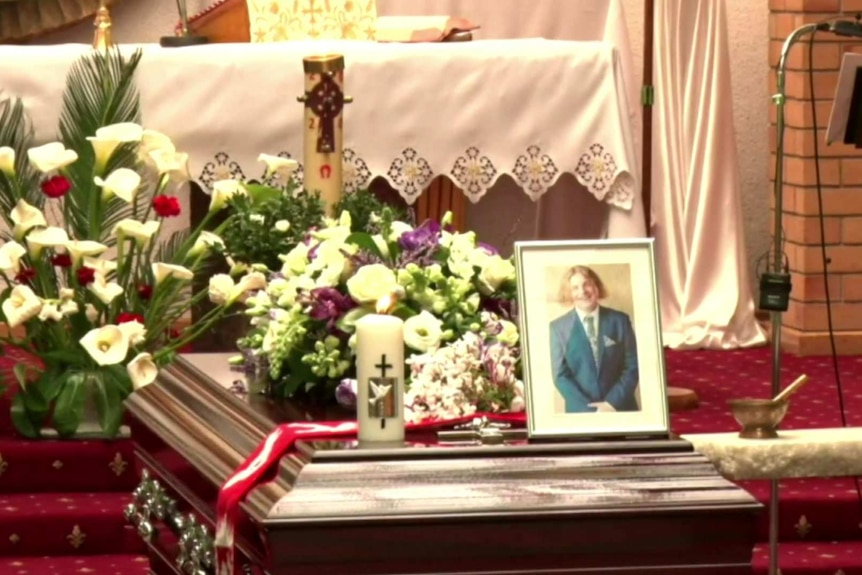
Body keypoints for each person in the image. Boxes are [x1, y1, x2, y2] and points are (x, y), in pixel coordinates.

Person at [549, 265, 639, 413]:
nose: (582, 291)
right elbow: (561, 376)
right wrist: (589, 410)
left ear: (596, 286)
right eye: (575, 288)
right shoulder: (558, 328)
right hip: (580, 412)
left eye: (587, 284)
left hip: (620, 408)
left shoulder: (620, 321)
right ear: (569, 293)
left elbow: (632, 366)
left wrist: (611, 404)